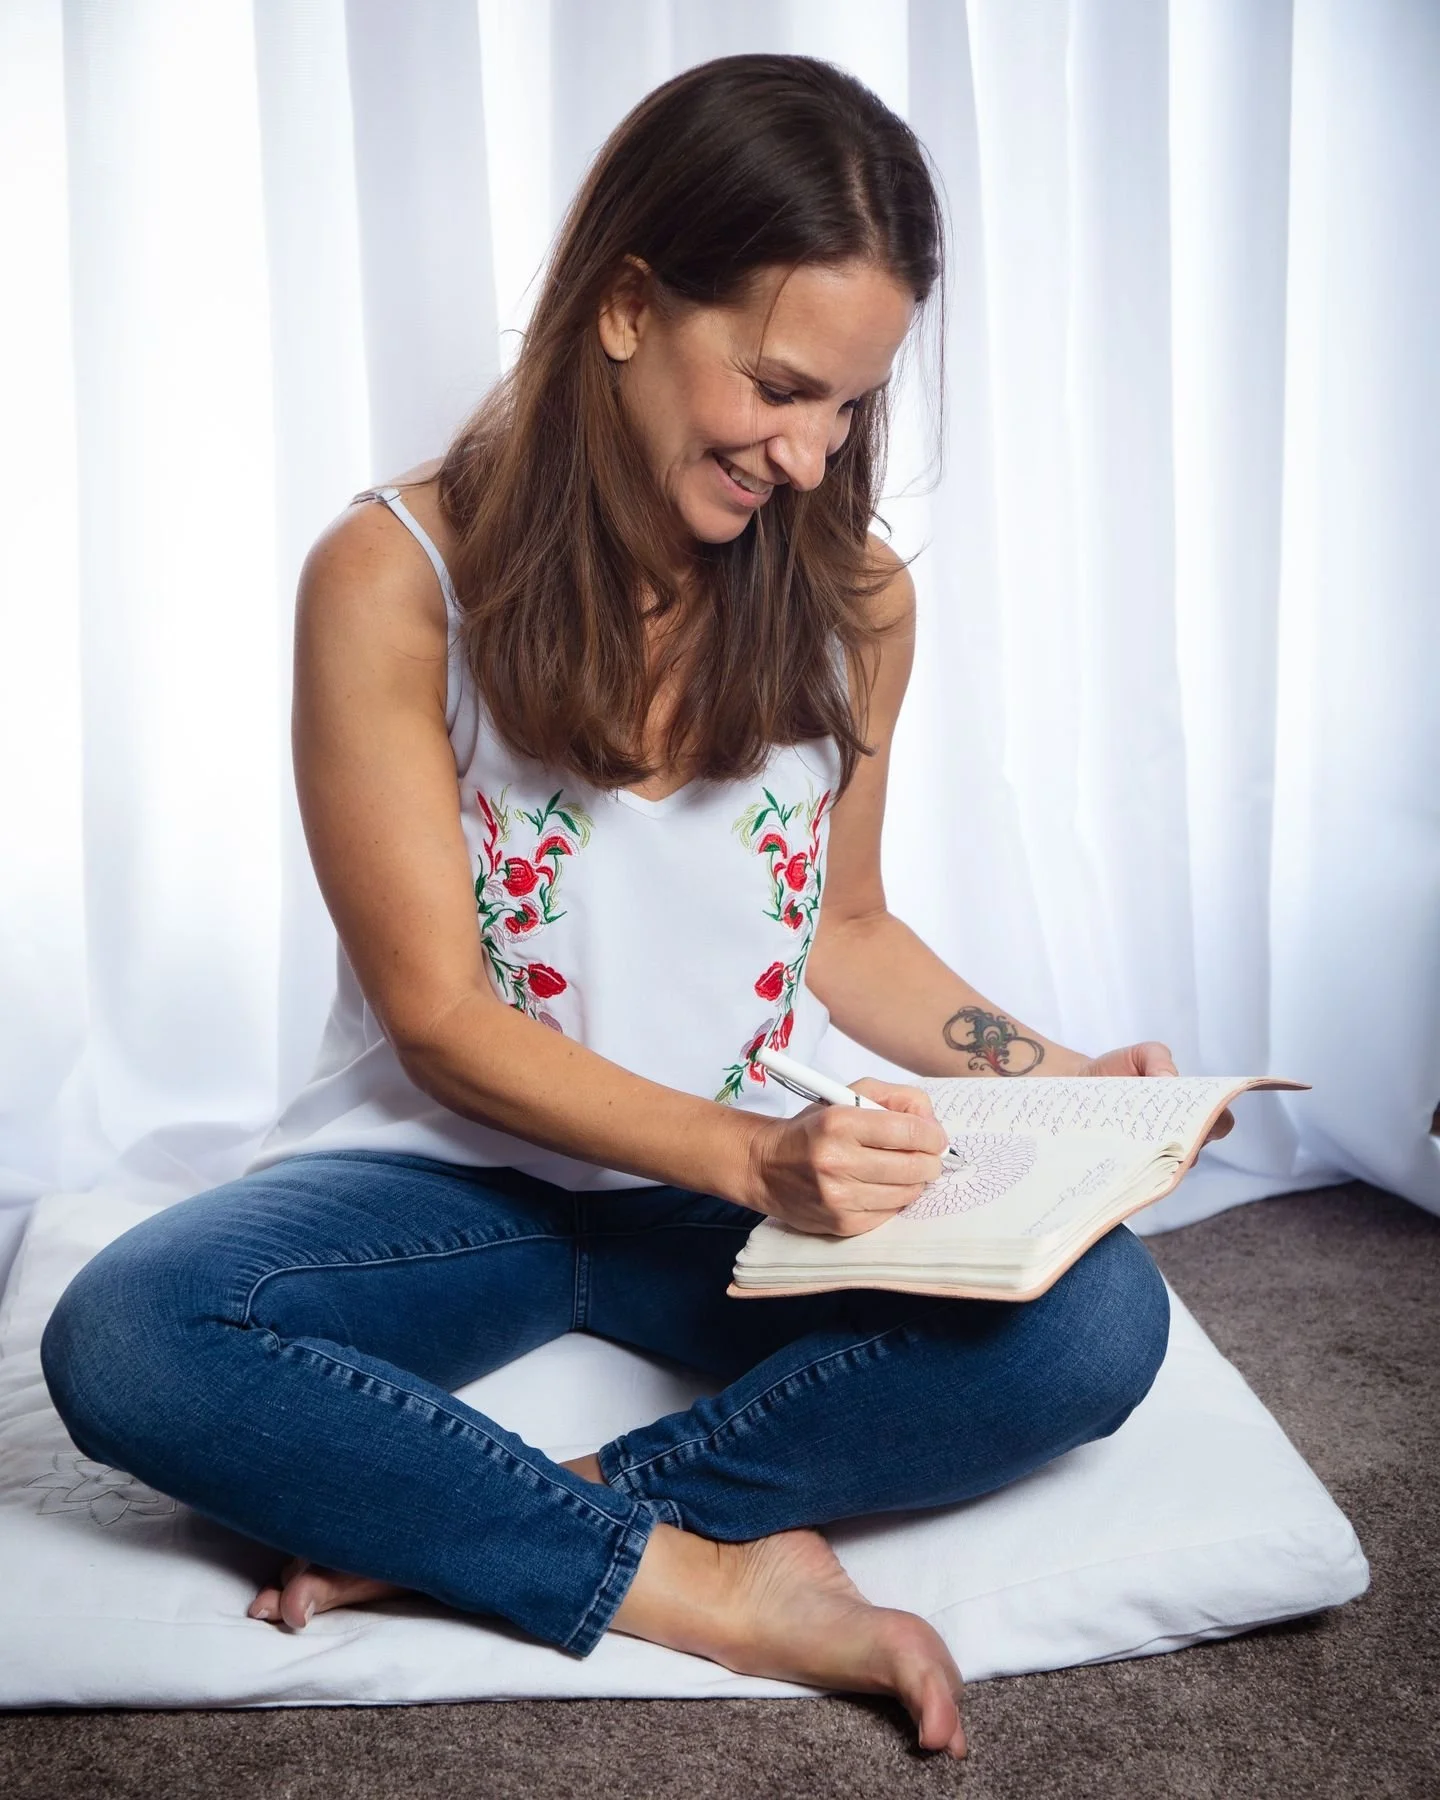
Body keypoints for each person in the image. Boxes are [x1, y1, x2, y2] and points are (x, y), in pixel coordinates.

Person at [40, 56, 1201, 1760]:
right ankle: (706, 1580)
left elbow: (850, 931)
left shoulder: (855, 600)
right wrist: (749, 1159)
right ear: (629, 305)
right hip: (451, 1186)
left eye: (848, 411)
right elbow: (440, 1017)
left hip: (731, 1201)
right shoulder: (391, 577)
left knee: (1100, 1321)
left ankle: (552, 1510)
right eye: (783, 388)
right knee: (132, 1340)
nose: (809, 457)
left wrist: (1058, 1082)